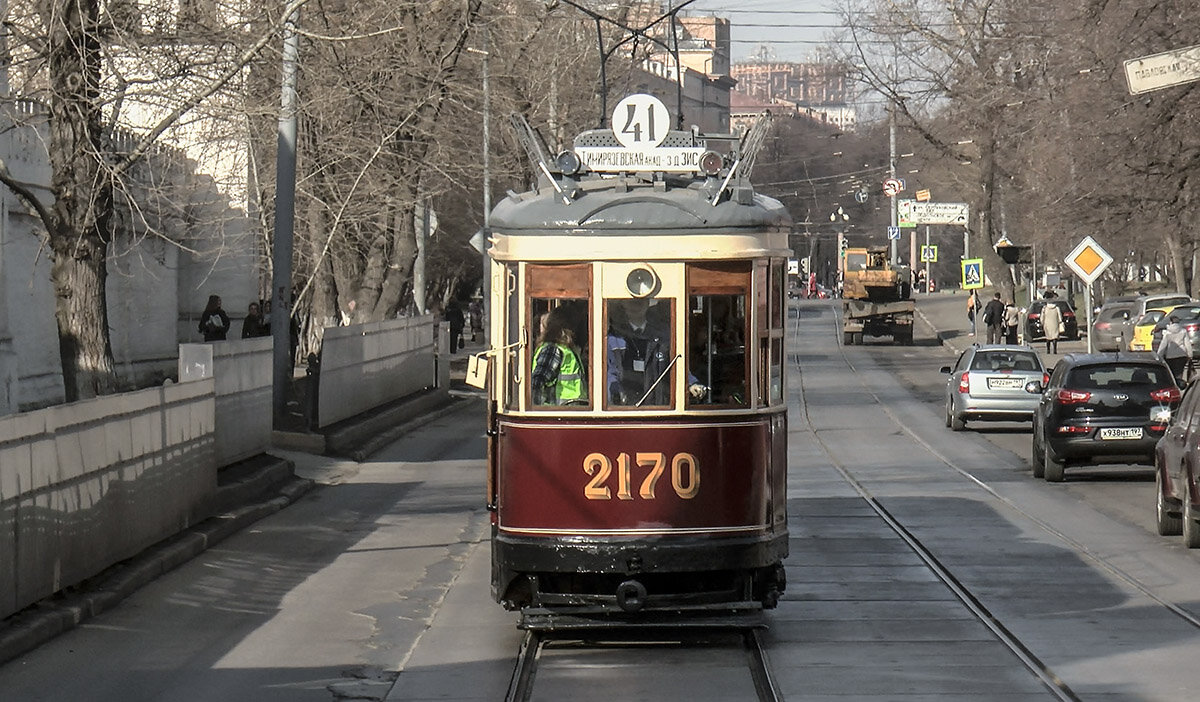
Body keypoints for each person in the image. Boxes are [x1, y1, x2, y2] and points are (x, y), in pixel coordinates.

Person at [531, 307, 586, 405]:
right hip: (559, 412)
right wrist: (539, 411)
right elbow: (537, 382)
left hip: (571, 411)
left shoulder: (567, 350)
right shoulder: (552, 350)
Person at [1157, 320, 1190, 386]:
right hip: (1181, 355)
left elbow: (1163, 345)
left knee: (1171, 373)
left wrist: (1159, 356)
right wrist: (1190, 354)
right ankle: (1180, 385)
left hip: (1170, 356)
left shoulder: (1167, 333)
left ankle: (1174, 386)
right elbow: (1187, 344)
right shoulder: (1183, 331)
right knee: (1179, 372)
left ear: (1171, 322)